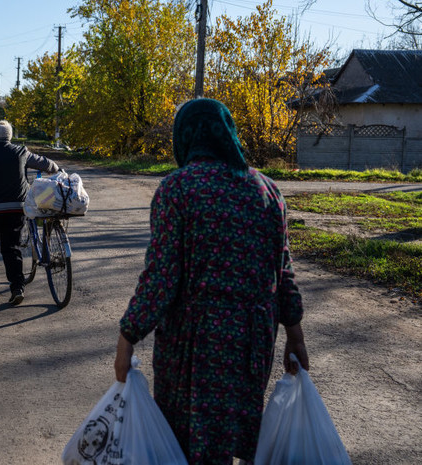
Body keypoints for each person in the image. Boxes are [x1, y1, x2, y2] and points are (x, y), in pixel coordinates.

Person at [112, 99, 309, 464]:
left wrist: (128, 335)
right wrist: (295, 335)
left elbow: (162, 276)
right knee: (234, 433)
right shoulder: (267, 190)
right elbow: (282, 270)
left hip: (195, 343)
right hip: (252, 342)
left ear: (184, 137)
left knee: (191, 442)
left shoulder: (178, 189)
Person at [0, 120, 60, 305]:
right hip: (15, 208)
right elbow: (46, 164)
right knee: (11, 248)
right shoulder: (21, 152)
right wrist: (57, 169)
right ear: (9, 136)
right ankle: (17, 287)